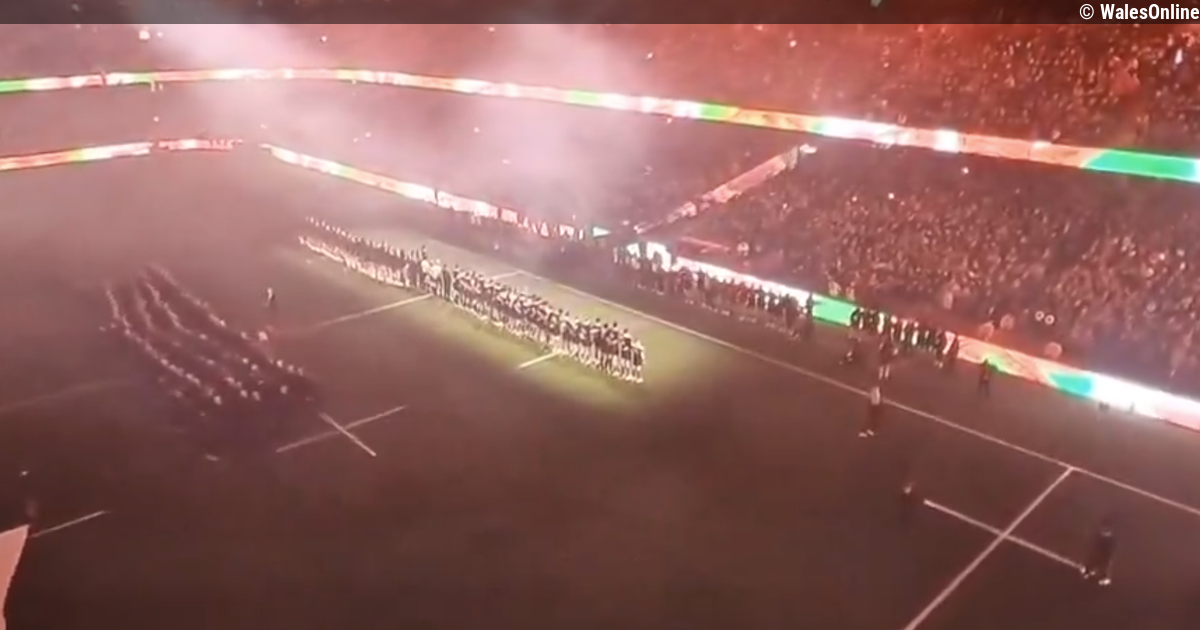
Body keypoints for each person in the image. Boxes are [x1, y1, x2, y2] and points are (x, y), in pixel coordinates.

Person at [1082, 521, 1116, 586]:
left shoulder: (1110, 540)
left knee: (1103, 563)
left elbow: (1109, 556)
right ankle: (1089, 570)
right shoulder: (1098, 538)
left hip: (1104, 557)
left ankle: (1093, 572)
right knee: (1095, 560)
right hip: (1099, 557)